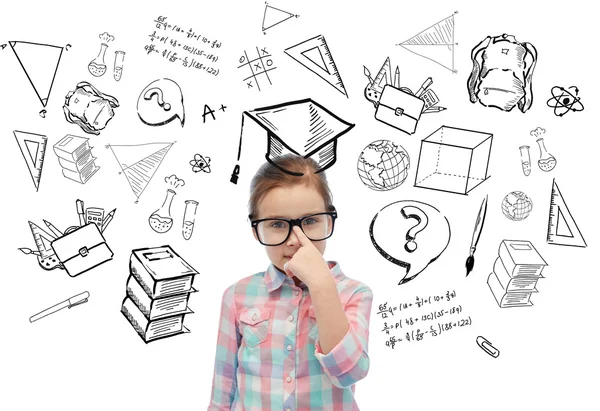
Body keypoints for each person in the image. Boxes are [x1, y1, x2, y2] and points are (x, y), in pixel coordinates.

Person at [207, 154, 373, 410]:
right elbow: (224, 385)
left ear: (329, 220)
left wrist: (321, 286)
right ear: (255, 230)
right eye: (276, 224)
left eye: (310, 221)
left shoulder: (354, 293)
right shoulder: (237, 295)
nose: (295, 240)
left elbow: (349, 373)